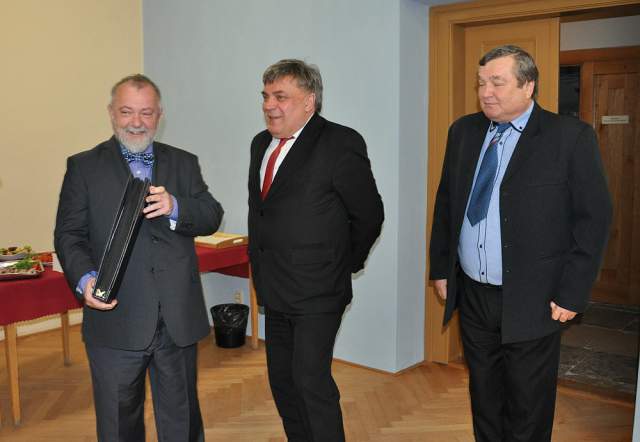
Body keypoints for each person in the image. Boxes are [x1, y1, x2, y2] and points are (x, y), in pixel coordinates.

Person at [429, 45, 612, 441]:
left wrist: (573, 291)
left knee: (528, 405)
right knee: (484, 396)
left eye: (497, 82)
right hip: (473, 295)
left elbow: (593, 220)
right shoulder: (463, 132)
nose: (486, 92)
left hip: (535, 298)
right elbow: (447, 203)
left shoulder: (569, 137)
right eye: (481, 83)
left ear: (528, 86)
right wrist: (441, 267)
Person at [54, 74, 223, 441]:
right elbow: (69, 235)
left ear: (159, 115)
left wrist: (176, 205)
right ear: (111, 113)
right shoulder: (83, 166)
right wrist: (86, 280)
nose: (136, 122)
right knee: (119, 425)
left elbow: (211, 215)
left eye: (146, 113)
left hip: (176, 320)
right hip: (116, 317)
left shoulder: (184, 162)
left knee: (182, 424)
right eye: (127, 111)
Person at [247, 59, 384, 441]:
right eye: (266, 96)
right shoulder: (260, 144)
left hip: (318, 290)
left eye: (280, 97)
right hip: (274, 287)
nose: (269, 105)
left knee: (311, 382)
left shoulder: (340, 143)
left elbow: (369, 215)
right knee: (283, 381)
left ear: (309, 101)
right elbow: (262, 211)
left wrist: (342, 264)